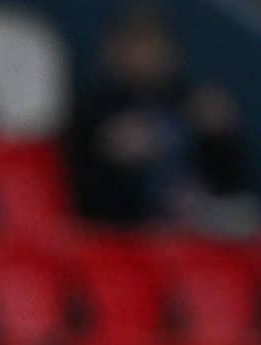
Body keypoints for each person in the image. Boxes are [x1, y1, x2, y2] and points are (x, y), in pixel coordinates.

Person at [69, 6, 254, 230]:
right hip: (128, 228)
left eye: (156, 45)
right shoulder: (93, 109)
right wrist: (112, 157)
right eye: (136, 45)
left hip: (199, 220)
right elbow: (83, 195)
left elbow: (227, 182)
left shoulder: (193, 101)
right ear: (113, 52)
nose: (148, 55)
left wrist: (220, 138)